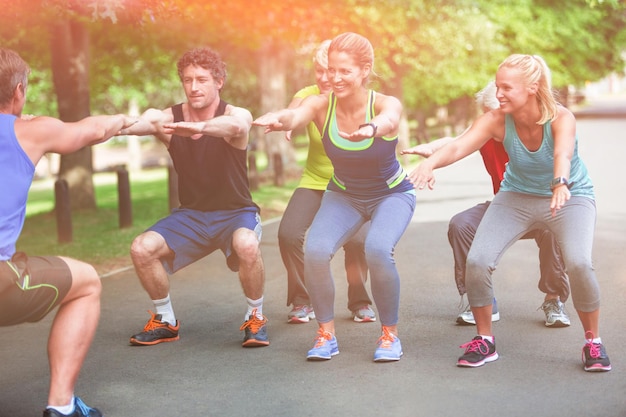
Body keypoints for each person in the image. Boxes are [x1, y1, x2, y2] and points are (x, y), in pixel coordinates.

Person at [408, 54, 611, 372]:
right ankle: (485, 341)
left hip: (570, 195)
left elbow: (563, 153)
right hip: (515, 196)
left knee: (580, 263)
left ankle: (593, 343)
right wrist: (429, 163)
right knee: (477, 260)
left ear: (532, 87)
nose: (498, 93)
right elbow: (459, 145)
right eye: (497, 85)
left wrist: (559, 183)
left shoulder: (560, 117)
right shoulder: (495, 119)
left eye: (506, 87)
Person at [254, 32, 416, 362]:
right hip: (344, 194)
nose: (334, 78)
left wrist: (370, 128)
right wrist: (280, 118)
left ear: (364, 70)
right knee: (315, 250)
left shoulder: (385, 103)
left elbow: (390, 120)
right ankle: (326, 334)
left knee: (377, 249)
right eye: (330, 70)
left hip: (391, 194)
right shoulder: (320, 104)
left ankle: (389, 335)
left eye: (344, 71)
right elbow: (296, 115)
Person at [0, 48, 137, 417]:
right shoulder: (32, 130)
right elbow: (93, 130)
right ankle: (61, 406)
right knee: (87, 281)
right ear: (18, 92)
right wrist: (123, 118)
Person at [117, 47, 269, 348]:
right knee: (141, 248)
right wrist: (110, 126)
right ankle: (165, 321)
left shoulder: (234, 115)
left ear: (219, 81)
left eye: (202, 79)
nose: (194, 87)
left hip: (235, 213)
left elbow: (238, 126)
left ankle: (256, 316)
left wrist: (199, 128)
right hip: (192, 215)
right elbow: (142, 122)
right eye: (188, 80)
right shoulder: (169, 119)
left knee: (247, 244)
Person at [402, 81, 571, 327]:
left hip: (541, 205)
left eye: (496, 114)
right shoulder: (487, 132)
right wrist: (431, 151)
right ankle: (481, 300)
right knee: (462, 224)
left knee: (552, 225)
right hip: (505, 208)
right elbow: (456, 140)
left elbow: (562, 156)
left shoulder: (538, 133)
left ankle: (554, 299)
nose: (490, 119)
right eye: (486, 113)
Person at [280, 39, 376, 324]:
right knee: (288, 234)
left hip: (353, 186)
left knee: (358, 241)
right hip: (315, 180)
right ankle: (301, 300)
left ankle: (359, 300)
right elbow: (296, 110)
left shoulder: (357, 98)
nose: (325, 78)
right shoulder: (309, 95)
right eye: (318, 71)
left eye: (330, 70)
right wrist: (289, 122)